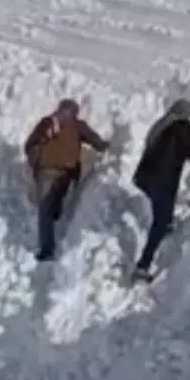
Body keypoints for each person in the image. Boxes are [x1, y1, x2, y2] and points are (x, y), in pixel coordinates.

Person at [130, 98, 190, 282]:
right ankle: (142, 266)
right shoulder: (181, 127)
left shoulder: (163, 124)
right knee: (159, 222)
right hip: (162, 181)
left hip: (146, 178)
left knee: (163, 212)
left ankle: (166, 224)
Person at [23, 99, 109, 261]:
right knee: (50, 208)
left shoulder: (50, 123)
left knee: (47, 209)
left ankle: (48, 246)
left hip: (50, 172)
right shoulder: (73, 125)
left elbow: (29, 144)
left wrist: (34, 157)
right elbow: (96, 141)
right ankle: (49, 241)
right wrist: (107, 146)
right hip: (63, 174)